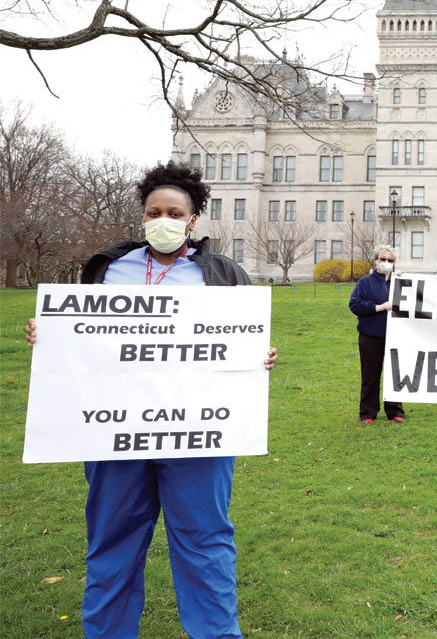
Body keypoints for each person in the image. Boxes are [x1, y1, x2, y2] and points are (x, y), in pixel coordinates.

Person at [23, 160, 277, 638]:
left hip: (197, 437)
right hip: (115, 436)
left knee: (205, 544)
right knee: (111, 546)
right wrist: (50, 334)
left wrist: (259, 357)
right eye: (154, 211)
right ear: (142, 217)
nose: (164, 219)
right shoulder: (108, 270)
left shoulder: (224, 274)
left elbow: (242, 343)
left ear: (194, 219)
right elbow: (82, 339)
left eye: (175, 213)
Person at [349, 245, 406, 423]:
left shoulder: (399, 282)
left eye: (390, 260)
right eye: (383, 259)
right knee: (370, 375)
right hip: (370, 336)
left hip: (395, 336)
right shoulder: (365, 282)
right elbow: (355, 304)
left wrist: (407, 282)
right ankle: (368, 412)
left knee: (394, 375)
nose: (386, 263)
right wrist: (379, 307)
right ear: (376, 261)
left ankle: (395, 410)